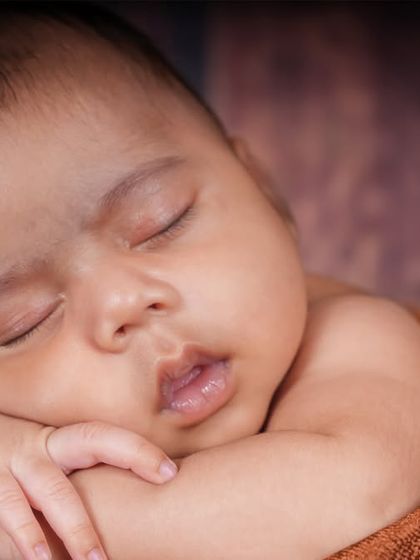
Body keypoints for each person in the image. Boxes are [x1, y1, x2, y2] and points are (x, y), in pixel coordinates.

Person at [0, 4, 419, 560]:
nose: (126, 302)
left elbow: (356, 491)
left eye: (161, 221)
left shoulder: (358, 336)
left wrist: (37, 522)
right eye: (24, 322)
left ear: (262, 188)